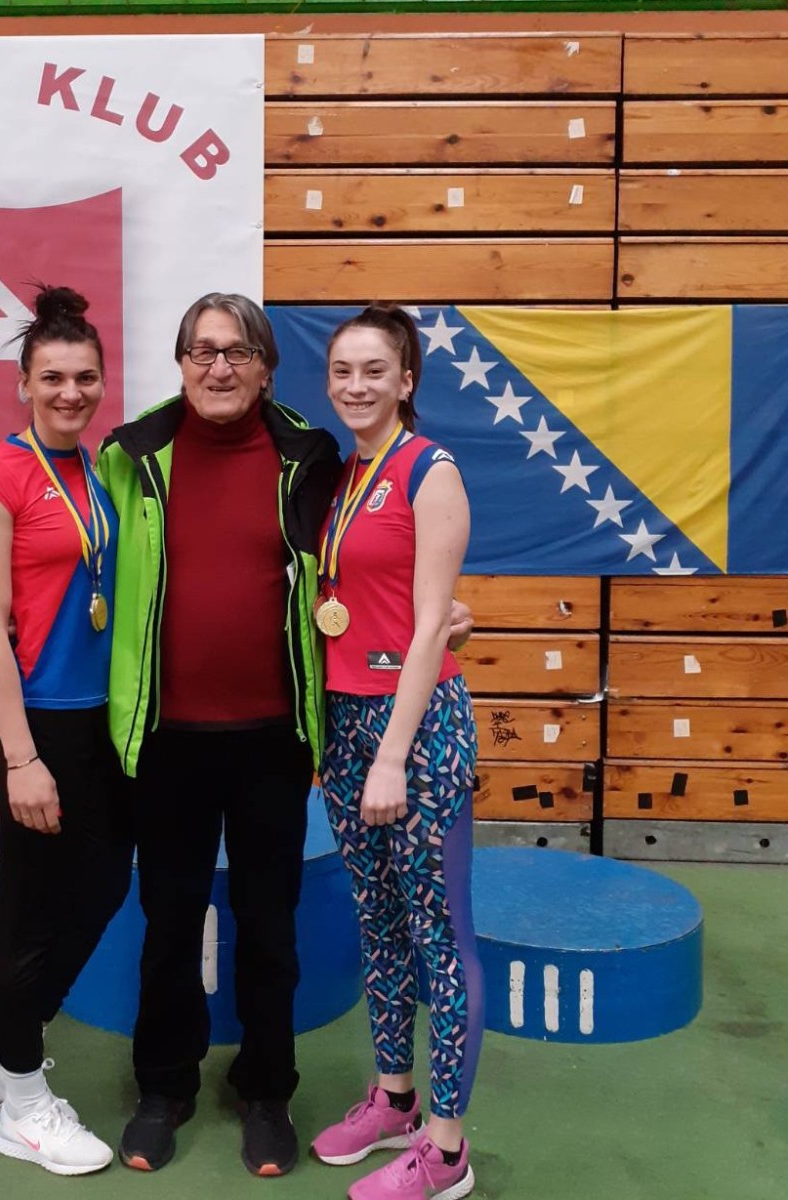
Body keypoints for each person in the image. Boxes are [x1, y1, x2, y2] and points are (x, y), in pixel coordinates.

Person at [96, 292, 345, 1177]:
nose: (219, 367)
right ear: (180, 364)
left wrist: (444, 610)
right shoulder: (130, 455)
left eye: (238, 351)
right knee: (169, 922)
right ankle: (163, 1086)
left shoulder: (312, 457)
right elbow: (82, 561)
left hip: (274, 738)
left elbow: (360, 563)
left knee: (269, 925)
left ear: (266, 367)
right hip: (167, 739)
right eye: (202, 351)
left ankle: (266, 1090)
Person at [0, 285, 133, 1177]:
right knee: (29, 913)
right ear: (24, 383)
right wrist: (21, 757)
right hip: (40, 728)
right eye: (53, 377)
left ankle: (6, 1051)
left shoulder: (95, 471)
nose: (70, 392)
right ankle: (22, 1106)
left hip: (103, 721)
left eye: (85, 377)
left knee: (104, 884)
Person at [310, 304, 482, 1200]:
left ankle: (446, 1151)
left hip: (415, 733)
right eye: (342, 370)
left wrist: (392, 755)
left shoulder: (430, 470)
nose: (356, 385)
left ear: (407, 379)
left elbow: (428, 628)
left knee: (438, 937)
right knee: (377, 925)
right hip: (345, 726)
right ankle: (395, 1098)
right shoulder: (342, 475)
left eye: (374, 370)